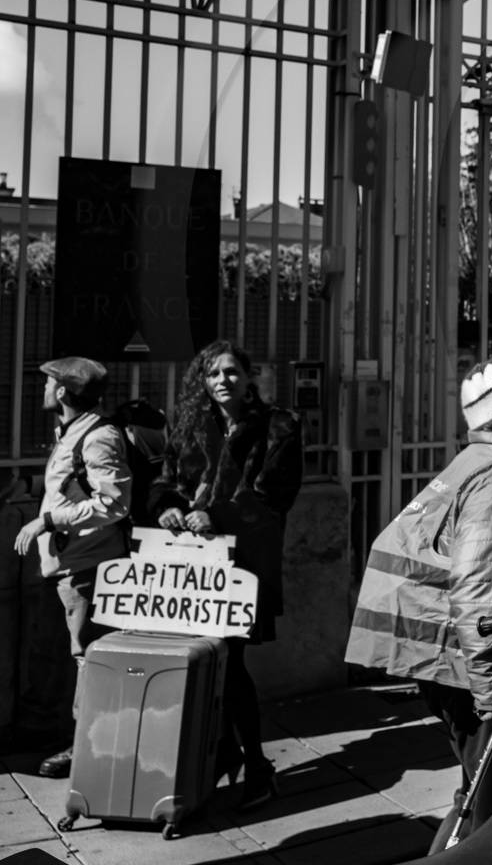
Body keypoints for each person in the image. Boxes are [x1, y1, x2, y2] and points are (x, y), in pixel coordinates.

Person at [346, 354, 492, 851]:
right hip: (470, 667)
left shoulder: (485, 460)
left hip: (452, 662)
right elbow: (481, 584)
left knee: (479, 800)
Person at [146, 340, 303, 811]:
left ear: (249, 376)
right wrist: (170, 508)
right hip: (187, 564)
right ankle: (225, 755)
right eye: (212, 373)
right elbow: (166, 479)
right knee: (202, 662)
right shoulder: (191, 423)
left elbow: (274, 494)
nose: (222, 381)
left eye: (231, 372)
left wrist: (218, 515)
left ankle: (254, 765)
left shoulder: (280, 425)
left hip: (241, 562)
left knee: (229, 663)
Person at [12, 357, 132, 778]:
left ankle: (84, 747)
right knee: (67, 656)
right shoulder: (70, 433)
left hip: (88, 565)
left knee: (88, 657)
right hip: (64, 564)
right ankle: (57, 732)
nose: (42, 389)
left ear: (62, 392)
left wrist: (48, 520)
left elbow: (114, 502)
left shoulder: (98, 437)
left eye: (48, 383)